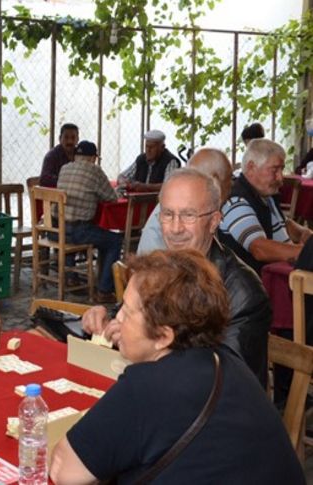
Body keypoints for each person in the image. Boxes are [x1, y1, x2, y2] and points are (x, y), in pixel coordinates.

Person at [50, 250, 304, 485]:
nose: (117, 319)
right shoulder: (224, 359)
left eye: (127, 312)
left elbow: (64, 472)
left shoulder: (148, 386)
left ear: (163, 336)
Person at [130, 167, 271, 384]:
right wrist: (111, 320)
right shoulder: (163, 267)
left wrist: (147, 343)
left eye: (188, 215)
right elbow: (138, 316)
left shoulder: (244, 293)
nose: (175, 228)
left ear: (214, 221)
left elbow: (228, 380)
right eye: (168, 214)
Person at [219, 138, 312, 274]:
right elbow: (260, 248)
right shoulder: (236, 201)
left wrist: (305, 233)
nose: (280, 178)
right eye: (274, 170)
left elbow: (284, 224)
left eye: (281, 170)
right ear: (251, 167)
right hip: (257, 286)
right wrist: (306, 252)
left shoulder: (263, 194)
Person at [56, 141, 122, 303]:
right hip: (78, 231)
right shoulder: (95, 171)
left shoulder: (65, 168)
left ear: (76, 155)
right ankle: (104, 290)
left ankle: (72, 277)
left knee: (78, 224)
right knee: (115, 241)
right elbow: (111, 197)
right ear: (93, 158)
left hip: (56, 230)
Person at [39, 123, 79, 188]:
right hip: (56, 195)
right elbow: (44, 180)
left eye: (73, 137)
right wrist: (67, 181)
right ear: (60, 139)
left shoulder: (81, 155)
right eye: (66, 137)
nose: (70, 141)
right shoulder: (51, 156)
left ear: (77, 139)